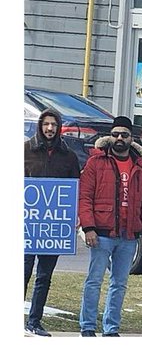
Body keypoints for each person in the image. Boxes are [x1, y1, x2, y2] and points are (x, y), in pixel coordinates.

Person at [78, 116, 142, 337]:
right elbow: (84, 198)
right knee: (94, 281)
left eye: (124, 135)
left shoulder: (141, 167)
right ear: (109, 137)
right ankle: (87, 326)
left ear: (131, 139)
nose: (119, 138)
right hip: (101, 234)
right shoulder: (96, 162)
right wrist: (88, 228)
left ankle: (111, 328)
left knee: (119, 284)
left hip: (129, 236)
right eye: (115, 134)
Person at [24, 109, 82, 335]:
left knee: (44, 276)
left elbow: (75, 189)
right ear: (40, 126)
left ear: (59, 128)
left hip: (53, 229)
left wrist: (74, 216)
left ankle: (34, 322)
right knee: (22, 273)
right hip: (27, 226)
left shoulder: (68, 156)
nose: (50, 128)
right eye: (46, 124)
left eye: (54, 125)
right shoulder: (25, 150)